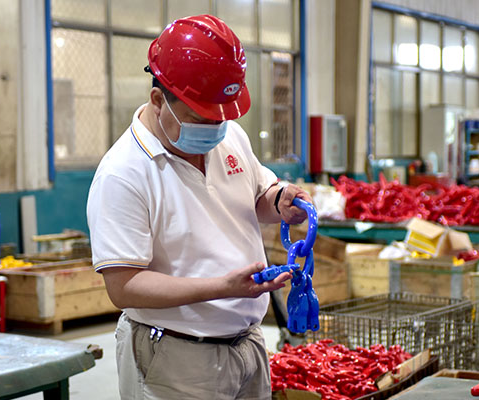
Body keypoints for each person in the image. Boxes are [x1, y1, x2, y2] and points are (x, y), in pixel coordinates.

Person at [86, 15, 314, 399]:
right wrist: (222, 288)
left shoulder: (229, 135)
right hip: (176, 357)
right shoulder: (123, 174)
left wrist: (280, 201)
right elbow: (124, 286)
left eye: (221, 117)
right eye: (200, 118)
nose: (215, 128)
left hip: (248, 345)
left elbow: (257, 195)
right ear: (158, 100)